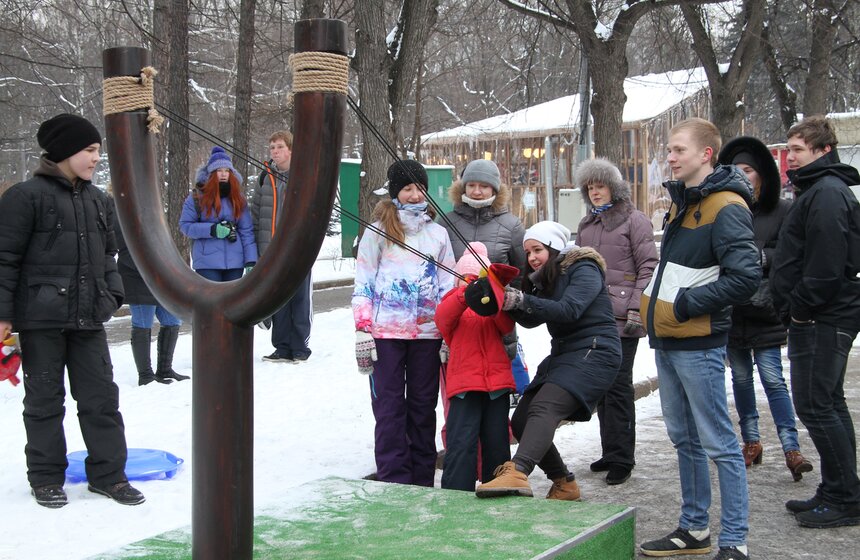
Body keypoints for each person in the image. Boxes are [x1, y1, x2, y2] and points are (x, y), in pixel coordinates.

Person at [0, 113, 144, 508]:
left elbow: (110, 255)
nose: (97, 158)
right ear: (65, 151)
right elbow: (5, 260)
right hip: (40, 320)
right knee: (44, 402)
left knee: (101, 399)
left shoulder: (100, 200)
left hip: (88, 320)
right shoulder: (24, 197)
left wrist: (111, 295)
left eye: (98, 150)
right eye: (90, 150)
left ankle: (110, 476)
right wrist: (4, 316)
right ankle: (46, 478)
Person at [639, 118, 760, 560]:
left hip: (699, 343)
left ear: (706, 154)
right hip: (669, 341)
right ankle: (694, 529)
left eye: (678, 150)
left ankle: (734, 541)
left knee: (720, 444)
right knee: (685, 440)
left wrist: (687, 304)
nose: (669, 157)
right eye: (668, 150)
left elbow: (746, 277)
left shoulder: (725, 205)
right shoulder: (683, 202)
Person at [470, 221, 621, 502]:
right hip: (565, 356)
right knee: (523, 419)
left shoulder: (584, 267)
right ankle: (563, 483)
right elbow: (530, 317)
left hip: (595, 352)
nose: (531, 258)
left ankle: (519, 471)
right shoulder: (549, 277)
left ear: (554, 247)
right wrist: (499, 299)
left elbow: (570, 309)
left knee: (544, 406)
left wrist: (520, 300)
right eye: (528, 252)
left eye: (537, 250)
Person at [771, 115, 860, 529]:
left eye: (798, 150)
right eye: (788, 150)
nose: (790, 159)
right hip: (823, 313)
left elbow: (825, 265)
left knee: (817, 404)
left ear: (823, 151)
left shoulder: (826, 193)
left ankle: (845, 497)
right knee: (825, 403)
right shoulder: (819, 190)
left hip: (824, 315)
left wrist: (801, 308)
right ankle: (838, 489)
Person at [352, 159, 456, 486]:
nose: (414, 195)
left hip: (428, 335)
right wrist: (362, 329)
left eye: (420, 188)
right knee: (389, 410)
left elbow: (448, 288)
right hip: (385, 335)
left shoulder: (438, 235)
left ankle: (422, 478)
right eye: (408, 188)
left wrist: (447, 334)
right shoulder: (377, 232)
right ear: (395, 192)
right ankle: (394, 479)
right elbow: (364, 283)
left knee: (423, 409)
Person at [717, 136, 812, 481]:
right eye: (736, 170)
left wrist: (757, 257)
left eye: (748, 170)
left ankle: (791, 447)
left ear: (761, 175)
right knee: (740, 380)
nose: (743, 176)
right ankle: (751, 442)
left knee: (773, 379)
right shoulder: (725, 207)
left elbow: (788, 255)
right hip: (733, 310)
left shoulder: (781, 210)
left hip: (766, 309)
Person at [575, 157, 658, 486]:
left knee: (619, 387)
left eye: (600, 185)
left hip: (625, 319)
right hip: (595, 317)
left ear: (614, 187)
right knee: (604, 386)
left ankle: (623, 456)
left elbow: (649, 267)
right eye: (590, 187)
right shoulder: (587, 226)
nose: (595, 192)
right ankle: (611, 451)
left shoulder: (635, 221)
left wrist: (636, 308)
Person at [441, 158, 529, 399]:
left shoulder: (511, 226)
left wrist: (507, 301)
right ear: (463, 188)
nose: (477, 191)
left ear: (495, 189)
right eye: (471, 185)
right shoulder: (446, 223)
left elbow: (521, 272)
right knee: (461, 393)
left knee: (496, 388)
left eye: (484, 186)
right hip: (457, 319)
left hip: (497, 320)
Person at [435, 242, 517, 491]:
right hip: (465, 386)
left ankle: (498, 487)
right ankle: (456, 493)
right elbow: (442, 318)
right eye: (465, 278)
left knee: (497, 442)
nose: (471, 283)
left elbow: (507, 326)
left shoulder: (494, 305)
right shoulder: (453, 301)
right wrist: (464, 295)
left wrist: (494, 298)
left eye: (476, 278)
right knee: (462, 442)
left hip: (497, 385)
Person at [252, 131, 314, 363]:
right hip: (271, 249)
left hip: (298, 249)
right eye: (272, 148)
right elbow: (256, 213)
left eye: (279, 147)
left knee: (299, 297)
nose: (275, 152)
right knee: (277, 298)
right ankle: (281, 346)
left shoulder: (303, 175)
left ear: (291, 149)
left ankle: (300, 345)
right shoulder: (265, 177)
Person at [114, 200, 188, 386]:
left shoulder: (151, 206)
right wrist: (150, 267)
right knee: (143, 323)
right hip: (136, 276)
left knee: (172, 319)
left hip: (159, 277)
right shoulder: (120, 210)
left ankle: (164, 369)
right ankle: (145, 375)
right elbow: (124, 249)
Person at [179, 146, 257, 282]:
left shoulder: (238, 198)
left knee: (233, 303)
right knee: (210, 302)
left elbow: (247, 231)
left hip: (235, 263)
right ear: (211, 173)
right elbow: (185, 226)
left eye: (227, 171)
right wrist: (212, 230)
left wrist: (251, 260)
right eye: (219, 170)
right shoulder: (197, 197)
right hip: (206, 263)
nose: (223, 174)